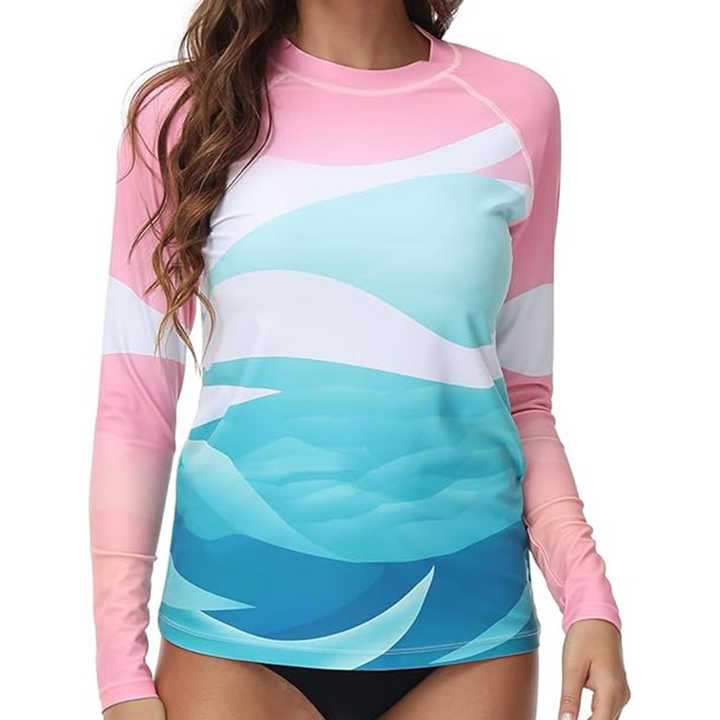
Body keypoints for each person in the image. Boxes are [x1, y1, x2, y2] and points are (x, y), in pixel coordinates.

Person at [89, 1, 630, 718]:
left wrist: (588, 597)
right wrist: (120, 677)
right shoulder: (185, 113)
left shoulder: (516, 107)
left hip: (469, 635)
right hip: (234, 630)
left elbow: (524, 401)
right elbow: (134, 411)